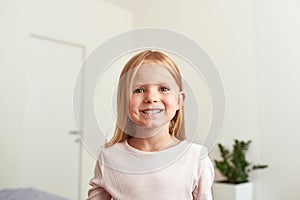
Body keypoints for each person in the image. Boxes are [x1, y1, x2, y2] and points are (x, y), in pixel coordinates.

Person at [87, 50, 214, 200]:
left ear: (179, 101)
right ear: (124, 101)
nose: (152, 98)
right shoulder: (108, 156)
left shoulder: (196, 158)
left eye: (163, 89)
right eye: (139, 90)